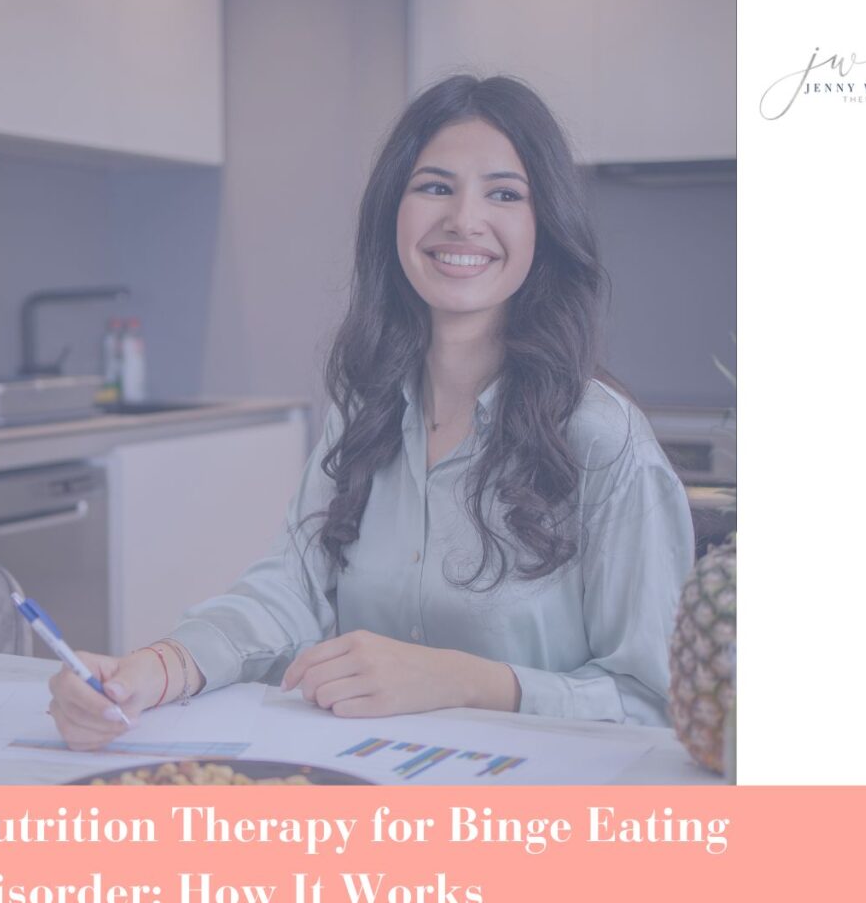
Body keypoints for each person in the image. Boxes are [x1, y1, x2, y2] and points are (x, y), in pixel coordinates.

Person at [49, 74, 695, 751]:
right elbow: (289, 589)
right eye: (435, 187)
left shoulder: (604, 439)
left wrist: (466, 681)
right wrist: (156, 670)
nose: (464, 219)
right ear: (393, 213)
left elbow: (655, 704)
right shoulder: (366, 407)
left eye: (505, 194)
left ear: (546, 226)